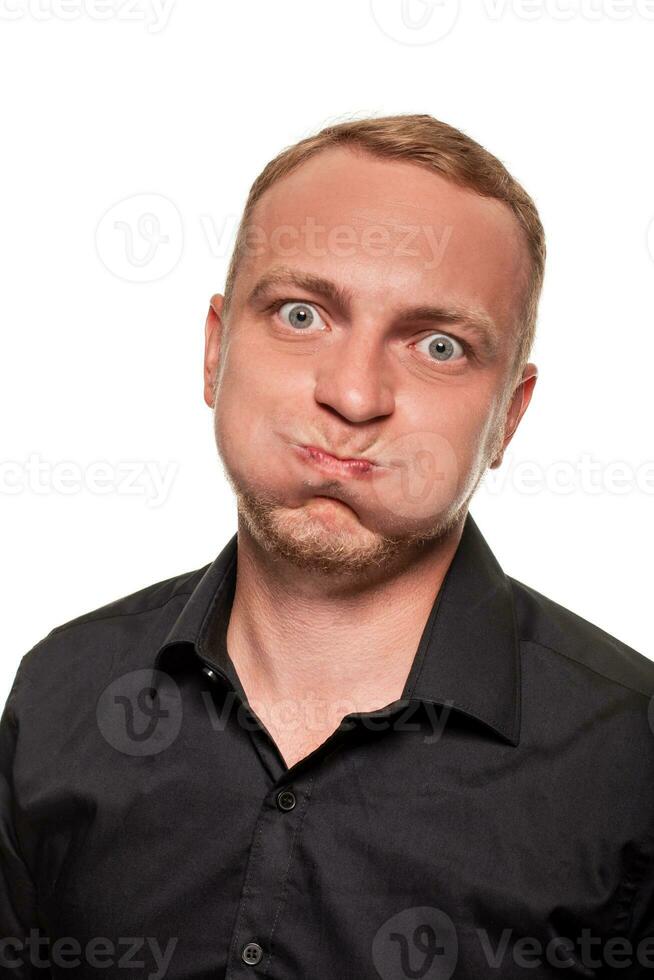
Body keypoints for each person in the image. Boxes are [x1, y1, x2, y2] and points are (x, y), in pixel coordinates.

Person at [2, 113, 653, 979]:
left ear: (510, 416)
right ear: (214, 350)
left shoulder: (632, 758)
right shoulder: (61, 691)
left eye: (438, 345)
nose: (353, 394)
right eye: (302, 313)